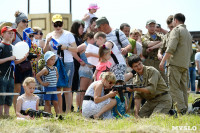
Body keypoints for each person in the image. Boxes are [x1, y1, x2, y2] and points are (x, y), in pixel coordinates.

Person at [43, 14, 78, 114]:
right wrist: (47, 42)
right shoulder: (49, 35)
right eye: (56, 24)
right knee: (57, 87)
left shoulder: (68, 34)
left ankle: (68, 111)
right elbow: (45, 52)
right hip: (54, 63)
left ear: (63, 24)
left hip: (67, 62)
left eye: (60, 24)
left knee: (67, 87)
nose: (58, 27)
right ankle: (59, 111)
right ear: (52, 24)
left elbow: (76, 49)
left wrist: (66, 47)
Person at [159, 13, 192, 114]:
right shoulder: (188, 33)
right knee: (183, 89)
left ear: (175, 20)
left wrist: (163, 61)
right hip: (185, 65)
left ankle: (181, 109)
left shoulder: (176, 30)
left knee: (174, 88)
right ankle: (185, 109)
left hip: (175, 64)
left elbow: (171, 48)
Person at [12, 11, 32, 112]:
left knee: (27, 88)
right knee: (17, 89)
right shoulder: (13, 34)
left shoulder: (26, 35)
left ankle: (25, 110)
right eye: (24, 21)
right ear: (18, 22)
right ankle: (16, 111)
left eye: (27, 21)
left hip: (26, 64)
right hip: (16, 64)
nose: (26, 23)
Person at [76, 32, 95, 112]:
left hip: (91, 69)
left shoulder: (92, 46)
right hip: (84, 68)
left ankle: (85, 108)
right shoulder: (84, 45)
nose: (94, 41)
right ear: (89, 38)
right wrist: (80, 60)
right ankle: (79, 108)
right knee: (82, 90)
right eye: (93, 39)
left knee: (88, 90)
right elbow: (73, 51)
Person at [0, 26, 16, 116]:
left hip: (11, 75)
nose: (11, 34)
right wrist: (9, 58)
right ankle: (1, 115)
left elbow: (14, 61)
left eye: (12, 33)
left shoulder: (12, 47)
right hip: (2, 75)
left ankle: (7, 114)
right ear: (2, 34)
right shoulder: (1, 46)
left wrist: (24, 58)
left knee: (9, 95)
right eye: (8, 33)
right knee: (2, 95)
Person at [70, 20, 85, 112]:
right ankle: (70, 106)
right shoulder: (73, 37)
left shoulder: (81, 37)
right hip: (75, 64)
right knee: (72, 86)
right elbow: (73, 52)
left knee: (77, 87)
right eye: (80, 28)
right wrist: (80, 60)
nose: (82, 29)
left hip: (80, 65)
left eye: (83, 27)